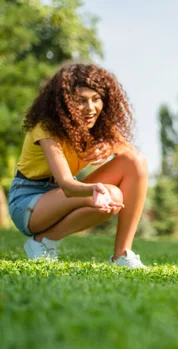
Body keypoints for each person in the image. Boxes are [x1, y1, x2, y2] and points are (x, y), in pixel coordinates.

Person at [7, 63, 148, 268]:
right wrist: (94, 189)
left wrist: (110, 146)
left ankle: (123, 254)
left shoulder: (99, 127)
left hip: (62, 196)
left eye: (96, 99)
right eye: (81, 100)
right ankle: (42, 242)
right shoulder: (45, 128)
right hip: (29, 202)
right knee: (110, 195)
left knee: (134, 163)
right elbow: (66, 184)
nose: (90, 108)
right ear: (65, 102)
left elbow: (136, 162)